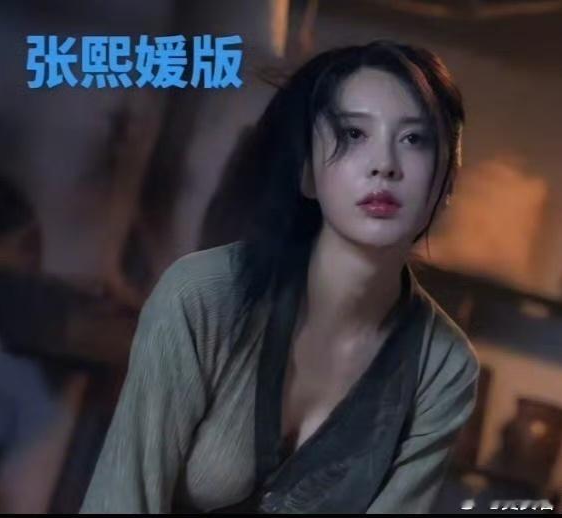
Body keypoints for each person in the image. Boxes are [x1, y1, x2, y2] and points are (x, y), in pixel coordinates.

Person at [80, 40, 480, 514]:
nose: (385, 165)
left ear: (446, 181)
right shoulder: (202, 297)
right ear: (307, 170)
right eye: (353, 134)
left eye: (414, 139)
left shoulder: (443, 368)